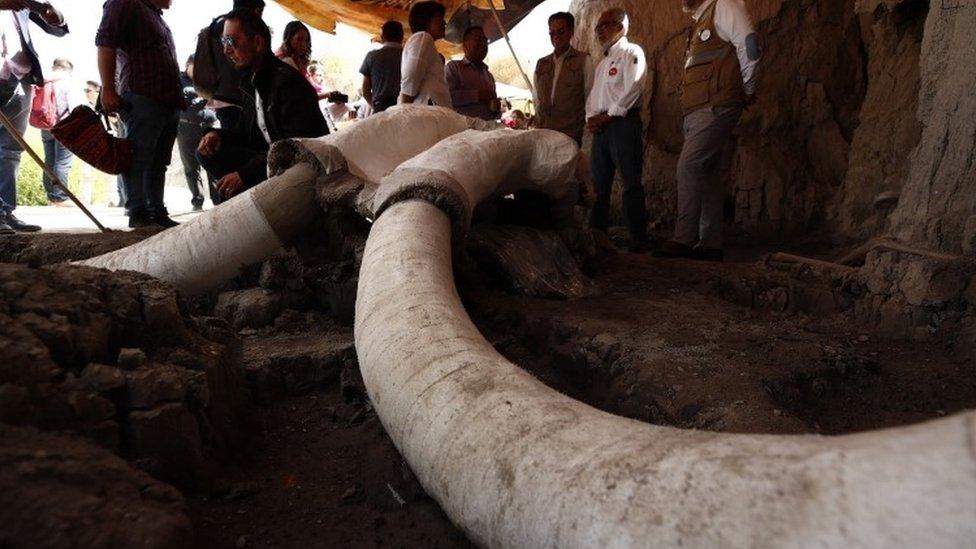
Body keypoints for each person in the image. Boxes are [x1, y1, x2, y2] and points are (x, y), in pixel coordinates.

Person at [654, 0, 760, 262]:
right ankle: (711, 243)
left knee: (688, 166)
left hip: (716, 105)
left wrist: (747, 89)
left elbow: (750, 46)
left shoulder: (724, 6)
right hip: (700, 108)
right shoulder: (701, 20)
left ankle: (683, 239)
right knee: (708, 172)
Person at [196, 8, 328, 201]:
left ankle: (258, 212)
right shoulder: (253, 82)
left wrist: (245, 175)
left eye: (231, 41)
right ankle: (247, 207)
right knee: (208, 152)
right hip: (273, 160)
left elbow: (295, 145)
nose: (226, 50)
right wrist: (215, 134)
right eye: (224, 42)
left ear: (257, 43)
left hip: (301, 167)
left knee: (234, 186)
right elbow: (246, 135)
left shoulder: (287, 82)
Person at [97, 0, 184, 228]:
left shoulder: (155, 15)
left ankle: (157, 209)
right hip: (142, 94)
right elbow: (106, 42)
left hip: (167, 100)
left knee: (158, 161)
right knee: (138, 157)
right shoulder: (125, 2)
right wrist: (107, 88)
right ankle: (138, 211)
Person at [0, 0, 67, 234]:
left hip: (20, 77)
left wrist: (54, 15)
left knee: (10, 150)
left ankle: (5, 212)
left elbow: (57, 28)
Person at [585, 7, 649, 253]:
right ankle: (597, 236)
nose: (599, 31)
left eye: (604, 25)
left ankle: (638, 237)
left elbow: (634, 88)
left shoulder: (632, 53)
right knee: (599, 185)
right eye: (597, 27)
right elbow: (594, 96)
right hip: (601, 129)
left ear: (620, 27)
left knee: (631, 181)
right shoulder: (602, 64)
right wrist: (591, 118)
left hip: (622, 125)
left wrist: (608, 115)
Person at [195, 0, 265, 133]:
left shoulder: (216, 25)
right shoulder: (237, 28)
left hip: (220, 96)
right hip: (236, 99)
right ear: (256, 11)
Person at [534, 12, 592, 145]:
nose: (555, 37)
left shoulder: (584, 60)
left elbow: (590, 97)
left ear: (571, 32)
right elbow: (536, 98)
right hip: (545, 133)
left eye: (560, 32)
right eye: (551, 33)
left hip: (570, 135)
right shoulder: (541, 63)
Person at [39, 58, 81, 207]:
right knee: (62, 162)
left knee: (49, 161)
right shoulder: (67, 83)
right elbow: (74, 108)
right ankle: (60, 197)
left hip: (45, 126)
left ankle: (51, 197)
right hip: (64, 126)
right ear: (67, 70)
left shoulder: (44, 82)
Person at [178, 55, 217, 211]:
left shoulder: (206, 79)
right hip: (186, 128)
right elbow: (182, 99)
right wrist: (200, 96)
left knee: (212, 164)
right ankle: (197, 201)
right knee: (191, 166)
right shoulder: (178, 80)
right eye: (197, 66)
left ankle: (218, 200)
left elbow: (216, 97)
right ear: (188, 65)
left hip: (208, 126)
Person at [399, 1, 451, 108]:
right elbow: (412, 73)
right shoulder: (423, 37)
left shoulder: (425, 41)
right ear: (426, 20)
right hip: (427, 111)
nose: (444, 23)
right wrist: (404, 108)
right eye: (439, 18)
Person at [445, 26, 498, 120]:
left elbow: (492, 111)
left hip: (488, 131)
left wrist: (496, 110)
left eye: (485, 41)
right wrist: (477, 95)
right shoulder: (453, 67)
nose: (483, 44)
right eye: (478, 40)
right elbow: (447, 97)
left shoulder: (489, 76)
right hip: (464, 131)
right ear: (465, 45)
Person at [359, 20, 403, 113]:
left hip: (380, 106)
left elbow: (365, 91)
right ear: (402, 37)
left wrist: (375, 106)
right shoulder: (410, 56)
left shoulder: (371, 56)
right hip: (404, 107)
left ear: (382, 37)